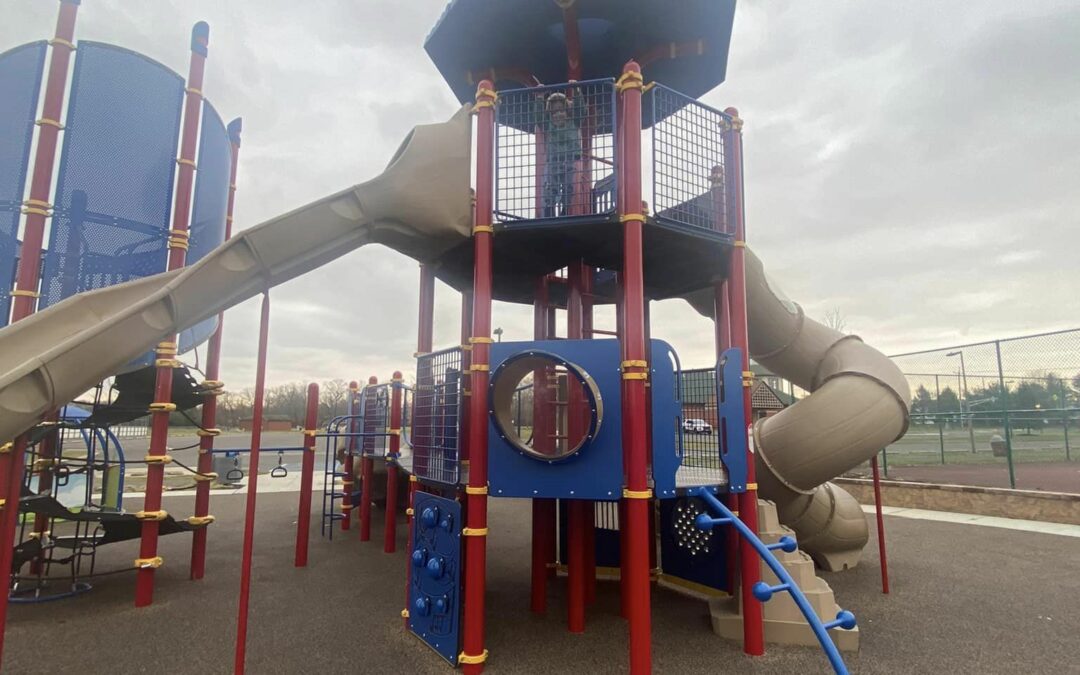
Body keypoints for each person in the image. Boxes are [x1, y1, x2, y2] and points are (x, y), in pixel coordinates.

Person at [532, 87, 586, 217]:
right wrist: (539, 98)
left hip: (569, 159)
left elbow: (581, 111)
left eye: (561, 110)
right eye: (554, 112)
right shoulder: (549, 124)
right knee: (550, 186)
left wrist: (577, 92)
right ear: (550, 114)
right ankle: (549, 209)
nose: (558, 114)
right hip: (553, 160)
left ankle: (565, 209)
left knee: (569, 186)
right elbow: (539, 118)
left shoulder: (574, 122)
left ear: (567, 111)